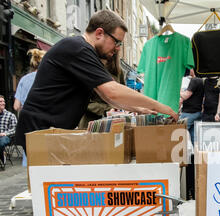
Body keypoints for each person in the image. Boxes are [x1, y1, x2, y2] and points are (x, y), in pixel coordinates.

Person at [15, 10, 178, 153]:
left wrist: (139, 109)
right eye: (117, 41)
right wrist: (160, 106)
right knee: (52, 184)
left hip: (47, 129)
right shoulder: (79, 48)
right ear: (99, 33)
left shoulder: (84, 50)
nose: (118, 48)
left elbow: (108, 98)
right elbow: (112, 90)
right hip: (40, 129)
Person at [78, 53, 126, 129]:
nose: (117, 48)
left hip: (114, 122)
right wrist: (108, 109)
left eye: (119, 44)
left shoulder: (119, 71)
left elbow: (123, 94)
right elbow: (83, 100)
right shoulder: (88, 67)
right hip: (90, 122)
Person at [13, 49, 46, 114]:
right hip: (43, 119)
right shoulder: (48, 78)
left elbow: (16, 106)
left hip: (26, 119)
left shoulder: (24, 79)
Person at [179, 69, 204, 144]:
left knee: (178, 133)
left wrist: (178, 90)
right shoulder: (201, 80)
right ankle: (196, 154)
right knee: (194, 137)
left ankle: (178, 154)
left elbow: (185, 96)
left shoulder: (194, 80)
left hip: (189, 112)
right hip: (197, 111)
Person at [0, 95, 18, 165]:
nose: (3, 103)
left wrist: (5, 133)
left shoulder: (10, 115)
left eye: (3, 101)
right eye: (0, 101)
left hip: (6, 137)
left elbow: (15, 129)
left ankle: (2, 157)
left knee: (0, 142)